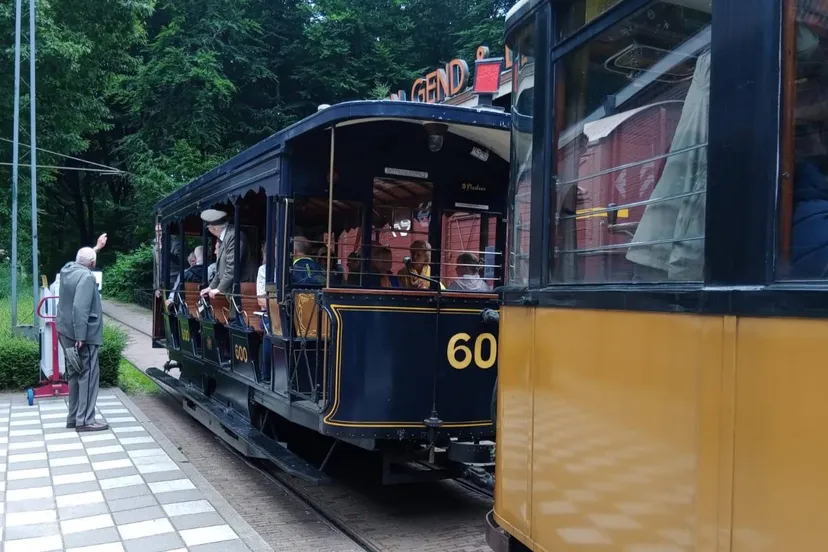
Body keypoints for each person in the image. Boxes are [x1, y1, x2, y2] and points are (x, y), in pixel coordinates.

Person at [56, 247, 108, 432]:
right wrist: (81, 335)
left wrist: (95, 248)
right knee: (88, 374)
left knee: (74, 374)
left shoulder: (67, 269)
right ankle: (85, 420)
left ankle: (74, 417)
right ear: (93, 264)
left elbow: (82, 259)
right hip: (83, 335)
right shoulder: (87, 277)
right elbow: (80, 307)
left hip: (65, 331)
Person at [200, 209, 257, 298]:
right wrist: (211, 287)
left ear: (214, 228)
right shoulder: (227, 236)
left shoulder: (233, 236)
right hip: (235, 288)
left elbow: (232, 266)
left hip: (242, 289)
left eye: (208, 228)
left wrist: (219, 289)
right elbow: (220, 271)